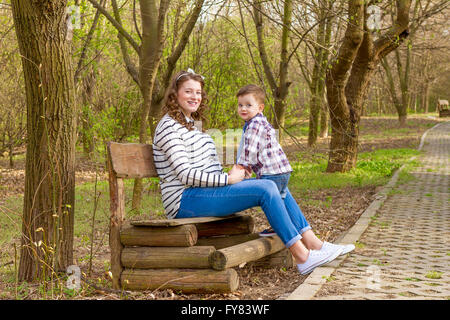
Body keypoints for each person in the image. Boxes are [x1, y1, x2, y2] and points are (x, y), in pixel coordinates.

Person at [152, 69, 354, 275]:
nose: (195, 96)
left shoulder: (193, 126)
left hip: (204, 193)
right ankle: (303, 257)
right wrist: (228, 179)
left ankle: (314, 243)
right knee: (267, 188)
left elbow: (206, 168)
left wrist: (237, 175)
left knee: (274, 183)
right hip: (184, 201)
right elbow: (185, 174)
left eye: (198, 92)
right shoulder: (169, 127)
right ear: (175, 94)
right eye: (188, 91)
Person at [235, 84, 291, 237]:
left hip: (271, 172)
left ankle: (279, 227)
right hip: (282, 170)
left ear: (260, 107)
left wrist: (242, 168)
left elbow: (250, 151)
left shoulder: (254, 125)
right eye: (240, 105)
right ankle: (287, 225)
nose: (243, 109)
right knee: (280, 200)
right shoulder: (261, 121)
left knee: (271, 203)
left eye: (248, 105)